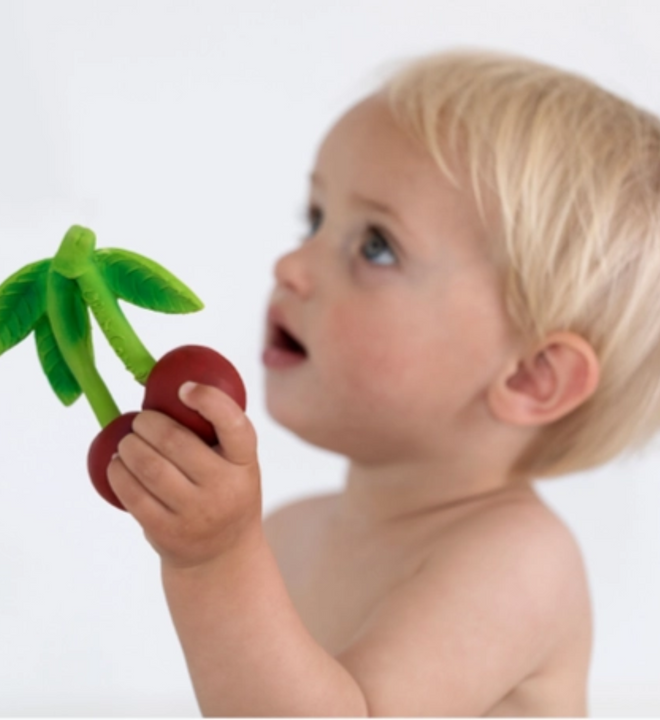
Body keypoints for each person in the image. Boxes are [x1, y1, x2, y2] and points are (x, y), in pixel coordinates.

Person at [106, 49, 660, 716]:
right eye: (314, 219)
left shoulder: (520, 562)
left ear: (532, 376)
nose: (290, 264)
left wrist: (212, 567)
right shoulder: (285, 534)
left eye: (376, 246)